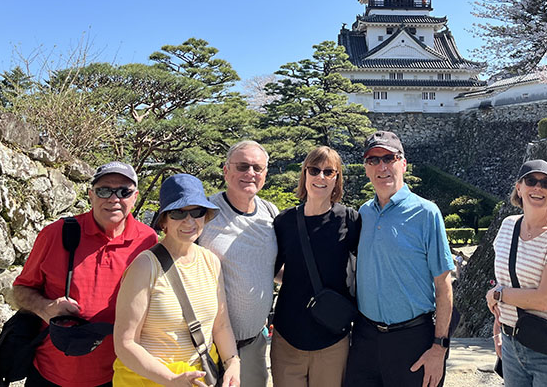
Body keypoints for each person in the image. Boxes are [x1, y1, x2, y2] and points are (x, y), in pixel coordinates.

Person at [12, 161, 158, 387]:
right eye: (104, 190)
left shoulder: (147, 241)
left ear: (135, 196)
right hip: (51, 373)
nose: (114, 198)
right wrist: (45, 308)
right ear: (91, 195)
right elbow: (20, 289)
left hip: (116, 375)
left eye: (124, 191)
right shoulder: (56, 234)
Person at [344, 131, 455, 387]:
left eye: (389, 158)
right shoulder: (364, 213)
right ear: (366, 168)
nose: (382, 166)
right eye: (373, 160)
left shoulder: (426, 213)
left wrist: (439, 348)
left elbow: (443, 285)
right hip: (365, 338)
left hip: (413, 338)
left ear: (403, 164)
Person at [113, 173, 240, 386]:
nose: (189, 221)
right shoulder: (145, 266)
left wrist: (233, 363)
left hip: (198, 378)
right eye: (178, 213)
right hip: (150, 380)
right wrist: (170, 379)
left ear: (205, 216)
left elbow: (221, 325)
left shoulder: (210, 261)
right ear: (164, 220)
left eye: (196, 212)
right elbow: (125, 343)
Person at [484, 159, 547, 387]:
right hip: (511, 344)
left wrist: (498, 294)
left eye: (546, 183)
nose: (538, 188)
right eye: (531, 181)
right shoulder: (508, 226)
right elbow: (505, 280)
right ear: (519, 188)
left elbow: (546, 299)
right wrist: (499, 326)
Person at [270, 146, 361, 387]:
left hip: (332, 338)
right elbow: (271, 270)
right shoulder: (284, 222)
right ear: (305, 174)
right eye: (314, 170)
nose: (320, 177)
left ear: (337, 178)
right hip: (287, 335)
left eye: (329, 172)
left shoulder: (350, 220)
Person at [197, 140, 279, 387]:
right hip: (208, 343)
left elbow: (274, 268)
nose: (250, 174)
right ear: (226, 171)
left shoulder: (271, 213)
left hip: (254, 341)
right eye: (242, 166)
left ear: (265, 174)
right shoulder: (204, 213)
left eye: (257, 168)